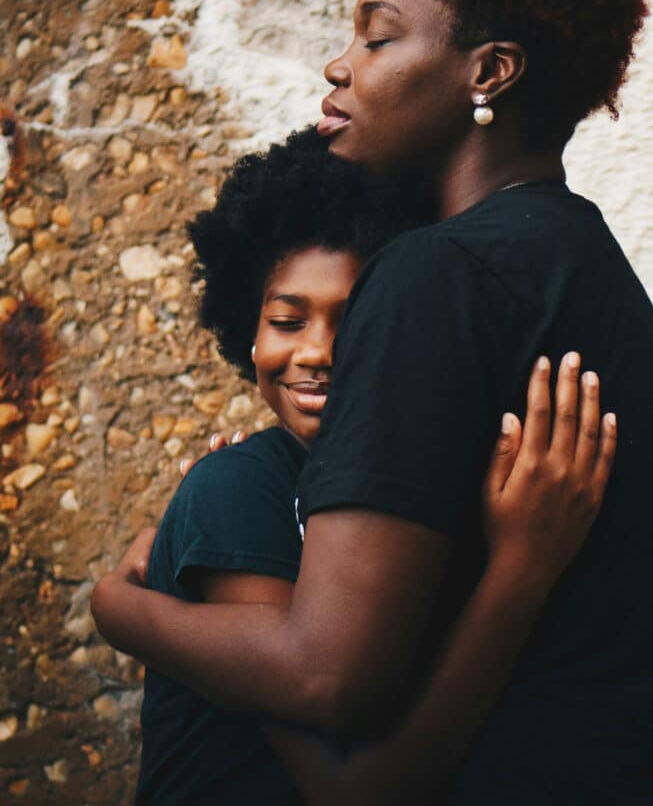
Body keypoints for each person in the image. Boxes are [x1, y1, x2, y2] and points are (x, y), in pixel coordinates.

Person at [93, 0, 653, 801]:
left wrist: (122, 608)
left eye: (377, 38)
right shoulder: (592, 265)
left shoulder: (432, 274)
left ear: (489, 72)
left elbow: (329, 677)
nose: (341, 65)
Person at [135, 126, 618, 804]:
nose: (318, 351)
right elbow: (358, 790)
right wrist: (522, 569)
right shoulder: (239, 489)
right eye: (288, 320)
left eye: (355, 319)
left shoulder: (425, 489)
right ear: (247, 327)